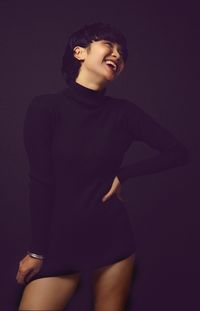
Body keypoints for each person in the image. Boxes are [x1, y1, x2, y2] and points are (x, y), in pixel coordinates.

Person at [16, 22, 189, 310]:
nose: (117, 54)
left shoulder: (124, 113)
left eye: (122, 52)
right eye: (109, 45)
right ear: (79, 52)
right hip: (59, 241)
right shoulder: (45, 108)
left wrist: (125, 174)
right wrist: (37, 250)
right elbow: (41, 182)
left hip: (111, 239)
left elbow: (178, 153)